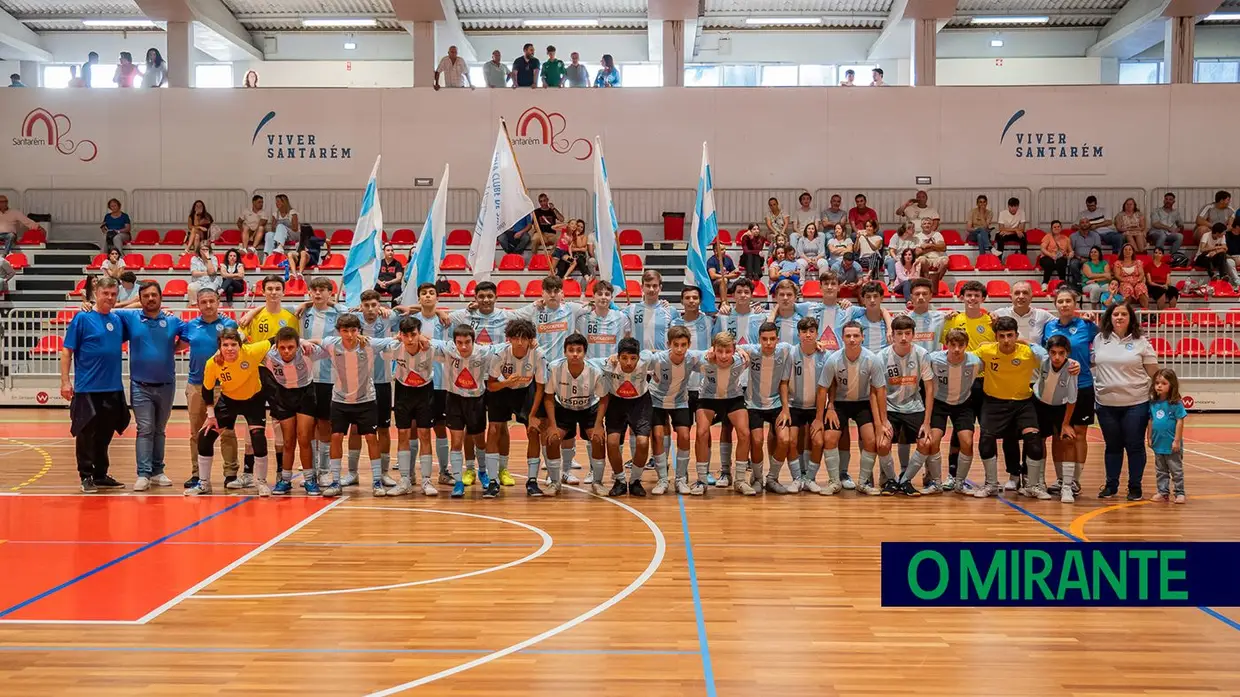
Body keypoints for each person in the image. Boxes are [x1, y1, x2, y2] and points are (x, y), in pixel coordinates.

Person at [309, 313, 404, 497]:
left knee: (370, 437)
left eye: (353, 330)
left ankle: (377, 481)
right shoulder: (331, 343)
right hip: (340, 400)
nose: (350, 335)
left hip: (365, 400)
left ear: (359, 330)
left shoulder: (368, 344)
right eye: (345, 331)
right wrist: (305, 342)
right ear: (339, 332)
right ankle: (336, 481)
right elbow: (315, 341)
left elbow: (391, 340)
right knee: (336, 436)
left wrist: (400, 336)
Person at [112, 281, 188, 491]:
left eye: (154, 295)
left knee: (160, 430)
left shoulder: (173, 321)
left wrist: (173, 349)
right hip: (140, 385)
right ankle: (143, 474)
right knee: (145, 429)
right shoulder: (131, 317)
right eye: (145, 296)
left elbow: (189, 336)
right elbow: (108, 309)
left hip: (166, 384)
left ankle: (158, 471)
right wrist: (130, 303)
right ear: (140, 298)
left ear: (160, 297)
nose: (150, 299)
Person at [971, 316, 1054, 499]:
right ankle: (991, 484)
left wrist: (1027, 341)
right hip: (994, 402)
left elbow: (1050, 358)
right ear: (996, 337)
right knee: (986, 440)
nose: (1006, 340)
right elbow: (962, 358)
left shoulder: (1027, 352)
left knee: (1034, 439)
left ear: (1016, 335)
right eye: (1002, 336)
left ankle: (1032, 485)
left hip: (1023, 403)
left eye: (1010, 335)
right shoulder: (986, 350)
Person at [61, 276, 129, 493]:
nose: (109, 297)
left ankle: (100, 474)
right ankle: (86, 475)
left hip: (112, 388)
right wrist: (65, 381)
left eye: (113, 294)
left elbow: (143, 308)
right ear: (96, 294)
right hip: (87, 388)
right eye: (105, 293)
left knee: (105, 434)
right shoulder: (82, 318)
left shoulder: (117, 320)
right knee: (86, 434)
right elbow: (67, 351)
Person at [190, 328, 275, 496]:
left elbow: (275, 339)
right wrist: (211, 416)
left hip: (253, 398)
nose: (230, 348)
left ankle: (261, 482)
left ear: (240, 345)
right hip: (229, 400)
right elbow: (207, 390)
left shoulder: (252, 352)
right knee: (205, 437)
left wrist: (303, 342)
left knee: (258, 437)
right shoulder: (213, 363)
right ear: (219, 346)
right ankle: (204, 483)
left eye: (233, 344)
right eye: (225, 345)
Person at [1092, 302, 1159, 500]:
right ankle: (1111, 485)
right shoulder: (1099, 339)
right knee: (1112, 446)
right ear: (1109, 318)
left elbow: (1154, 374)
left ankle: (1135, 486)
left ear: (1131, 318)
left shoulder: (1142, 342)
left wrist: (1163, 400)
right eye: (1115, 314)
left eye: (1123, 314)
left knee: (1134, 445)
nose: (1119, 317)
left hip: (1136, 403)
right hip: (1105, 404)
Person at [1041, 287, 1099, 503]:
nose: (1064, 305)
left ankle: (1075, 480)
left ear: (1076, 304)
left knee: (1079, 434)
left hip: (1082, 385)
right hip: (1057, 386)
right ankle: (1060, 478)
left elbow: (1105, 339)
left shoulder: (1086, 325)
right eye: (1060, 301)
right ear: (1055, 304)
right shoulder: (1049, 327)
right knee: (1059, 434)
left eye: (1068, 301)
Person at [814, 322, 884, 494]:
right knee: (829, 438)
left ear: (862, 337)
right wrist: (821, 415)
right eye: (848, 336)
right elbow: (823, 389)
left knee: (871, 441)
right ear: (842, 338)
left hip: (863, 404)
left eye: (856, 336)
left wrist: (882, 421)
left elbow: (880, 391)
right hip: (839, 404)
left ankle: (863, 482)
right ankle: (834, 482)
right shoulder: (834, 360)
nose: (852, 340)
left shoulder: (872, 359)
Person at [183, 288, 239, 490]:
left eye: (211, 301)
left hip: (224, 385)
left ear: (218, 302)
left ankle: (231, 473)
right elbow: (178, 344)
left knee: (227, 431)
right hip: (196, 385)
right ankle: (197, 473)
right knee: (196, 432)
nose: (208, 305)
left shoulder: (229, 325)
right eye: (203, 302)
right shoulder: (190, 326)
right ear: (197, 304)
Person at [261, 326, 327, 496]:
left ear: (297, 346)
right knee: (288, 441)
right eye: (282, 347)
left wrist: (307, 341)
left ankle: (310, 479)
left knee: (304, 438)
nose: (287, 351)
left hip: (305, 394)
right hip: (283, 396)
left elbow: (332, 347)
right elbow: (245, 350)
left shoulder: (307, 352)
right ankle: (285, 479)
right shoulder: (268, 355)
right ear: (276, 346)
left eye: (291, 347)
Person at [484, 319, 546, 497]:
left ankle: (532, 481)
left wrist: (533, 415)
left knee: (533, 431)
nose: (520, 343)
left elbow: (540, 387)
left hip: (526, 392)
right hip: (502, 390)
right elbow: (491, 385)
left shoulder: (538, 354)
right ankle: (493, 481)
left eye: (524, 338)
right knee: (494, 430)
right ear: (509, 339)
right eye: (516, 338)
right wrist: (506, 383)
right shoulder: (500, 355)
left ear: (530, 339)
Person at [542, 333, 608, 494]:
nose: (575, 354)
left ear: (585, 353)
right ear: (564, 352)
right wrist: (551, 425)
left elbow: (604, 398)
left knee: (598, 439)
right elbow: (549, 397)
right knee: (551, 439)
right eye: (571, 350)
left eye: (579, 350)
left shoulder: (595, 371)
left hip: (588, 408)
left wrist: (599, 424)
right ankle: (555, 482)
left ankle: (597, 482)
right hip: (563, 408)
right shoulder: (555, 368)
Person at [879, 316, 937, 496]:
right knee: (881, 444)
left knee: (927, 442)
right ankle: (891, 479)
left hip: (914, 407)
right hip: (890, 408)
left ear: (913, 335)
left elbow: (929, 388)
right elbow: (878, 391)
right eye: (899, 333)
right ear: (892, 335)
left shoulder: (921, 354)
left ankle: (905, 480)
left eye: (907, 333)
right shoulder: (882, 356)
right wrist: (882, 421)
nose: (903, 337)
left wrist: (927, 422)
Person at [695, 332, 754, 494]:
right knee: (701, 432)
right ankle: (701, 480)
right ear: (713, 349)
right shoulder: (704, 360)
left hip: (732, 397)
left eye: (728, 351)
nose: (723, 356)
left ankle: (740, 480)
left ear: (733, 350)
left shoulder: (741, 360)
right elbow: (682, 355)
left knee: (744, 433)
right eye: (719, 351)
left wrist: (741, 348)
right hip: (708, 398)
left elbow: (761, 348)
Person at [598, 338, 657, 496]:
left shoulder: (646, 359)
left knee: (643, 442)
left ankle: (635, 480)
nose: (629, 363)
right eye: (624, 358)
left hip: (640, 403)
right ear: (618, 357)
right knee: (612, 442)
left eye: (633, 358)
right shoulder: (609, 363)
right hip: (616, 403)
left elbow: (660, 353)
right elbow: (587, 362)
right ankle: (620, 480)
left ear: (638, 357)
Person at [927, 329, 983, 495]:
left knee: (967, 441)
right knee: (933, 440)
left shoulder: (975, 362)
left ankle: (959, 482)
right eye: (953, 345)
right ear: (947, 345)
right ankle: (936, 482)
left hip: (963, 403)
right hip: (939, 403)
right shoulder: (934, 360)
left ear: (966, 345)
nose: (957, 349)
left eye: (961, 345)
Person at [391, 316, 440, 497]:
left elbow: (451, 346)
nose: (410, 339)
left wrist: (429, 340)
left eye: (414, 335)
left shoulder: (431, 349)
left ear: (420, 334)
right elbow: (374, 344)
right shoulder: (394, 347)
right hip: (403, 392)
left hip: (424, 392)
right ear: (400, 335)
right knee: (403, 434)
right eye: (406, 335)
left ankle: (426, 480)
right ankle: (404, 479)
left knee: (425, 434)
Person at [1029, 334, 1078, 501]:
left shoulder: (1072, 369)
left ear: (1067, 353)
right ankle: (1040, 482)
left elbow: (1072, 400)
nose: (1057, 357)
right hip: (1040, 404)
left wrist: (1066, 424)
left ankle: (1066, 486)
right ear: (1048, 352)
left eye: (1061, 353)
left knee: (1068, 439)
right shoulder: (1042, 358)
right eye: (1053, 352)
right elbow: (1026, 342)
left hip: (1061, 407)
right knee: (1038, 440)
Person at [1148, 368, 1187, 504]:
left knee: (1176, 470)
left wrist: (1176, 440)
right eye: (1157, 383)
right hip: (1158, 443)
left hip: (1171, 444)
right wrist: (1149, 437)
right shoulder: (1153, 403)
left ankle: (1179, 492)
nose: (1159, 386)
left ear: (1172, 385)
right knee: (1161, 470)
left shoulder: (1176, 404)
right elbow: (1151, 420)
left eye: (1164, 383)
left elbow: (1180, 421)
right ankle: (1163, 492)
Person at [993, 280, 1054, 344]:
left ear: (1031, 297)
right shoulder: (999, 314)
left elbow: (1062, 323)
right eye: (1017, 293)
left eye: (1025, 293)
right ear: (1010, 297)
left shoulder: (1042, 315)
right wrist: (990, 313)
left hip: (1034, 354)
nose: (1021, 296)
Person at [1195, 222, 1240, 289]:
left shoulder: (1222, 236)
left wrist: (1215, 252)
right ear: (1217, 233)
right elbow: (1202, 249)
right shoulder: (1206, 235)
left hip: (1212, 258)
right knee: (1207, 258)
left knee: (1222, 254)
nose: (1225, 233)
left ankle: (1223, 275)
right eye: (1223, 232)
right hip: (1201, 258)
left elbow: (1225, 248)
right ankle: (1212, 275)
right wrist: (1216, 248)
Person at [913, 218, 948, 292]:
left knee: (945, 261)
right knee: (922, 260)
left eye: (929, 223)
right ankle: (927, 281)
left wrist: (929, 245)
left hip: (937, 258)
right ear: (921, 226)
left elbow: (943, 247)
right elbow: (917, 252)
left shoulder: (937, 234)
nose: (927, 225)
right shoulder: (917, 236)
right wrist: (935, 247)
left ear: (932, 225)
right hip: (925, 258)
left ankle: (936, 281)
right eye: (924, 224)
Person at [1112, 243, 1148, 308]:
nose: (1127, 251)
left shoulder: (1138, 262)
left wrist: (1137, 280)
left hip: (1137, 281)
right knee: (1127, 288)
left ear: (1132, 251)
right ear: (1122, 251)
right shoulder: (1118, 263)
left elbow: (1142, 274)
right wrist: (1128, 281)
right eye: (1125, 250)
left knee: (1140, 287)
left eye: (1130, 250)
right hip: (1124, 282)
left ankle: (1146, 312)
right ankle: (1125, 311)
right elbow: (1117, 275)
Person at [264, 194, 299, 259]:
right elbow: (273, 229)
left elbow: (295, 228)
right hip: (280, 236)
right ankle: (269, 255)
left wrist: (283, 229)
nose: (276, 203)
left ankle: (280, 247)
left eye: (278, 201)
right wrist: (280, 231)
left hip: (292, 235)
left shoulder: (292, 212)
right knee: (269, 234)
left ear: (284, 202)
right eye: (276, 202)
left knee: (280, 226)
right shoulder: (275, 214)